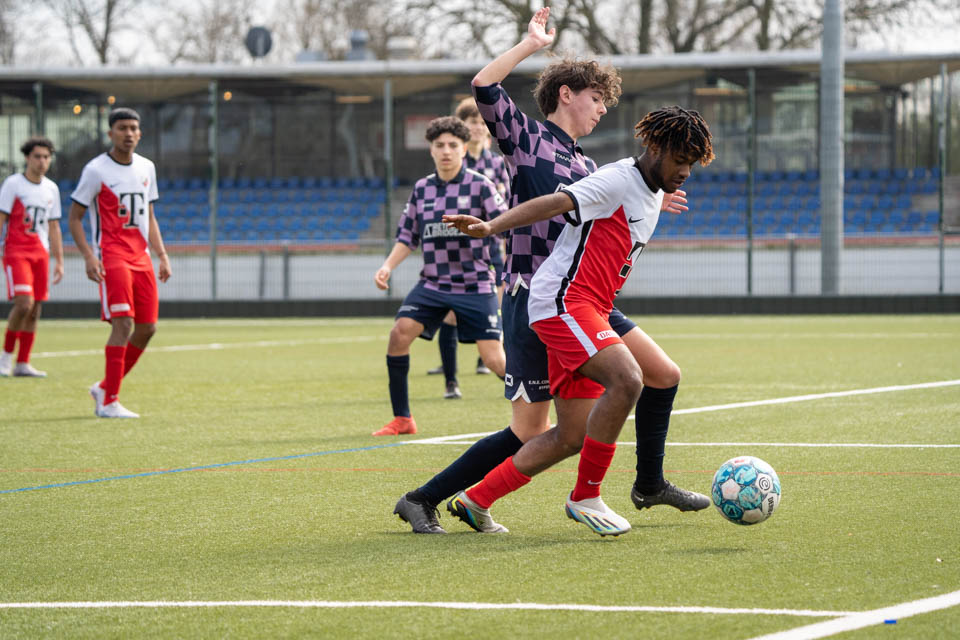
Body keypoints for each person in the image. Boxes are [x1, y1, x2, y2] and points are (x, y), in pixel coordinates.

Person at [393, 7, 705, 535]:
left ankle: (648, 482)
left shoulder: (588, 165)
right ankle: (424, 498)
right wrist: (530, 45)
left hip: (582, 297)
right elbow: (484, 85)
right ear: (568, 94)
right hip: (531, 295)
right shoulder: (527, 138)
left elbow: (611, 205)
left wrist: (658, 194)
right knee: (530, 428)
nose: (603, 110)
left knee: (657, 377)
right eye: (597, 98)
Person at [443, 105, 716, 536]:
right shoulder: (616, 179)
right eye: (680, 161)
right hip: (562, 302)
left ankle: (476, 500)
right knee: (628, 379)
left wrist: (660, 198)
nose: (685, 171)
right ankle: (586, 496)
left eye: (692, 164)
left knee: (577, 431)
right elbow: (555, 202)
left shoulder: (649, 189)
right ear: (655, 147)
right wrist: (491, 227)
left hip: (591, 306)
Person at [372, 116, 508, 436]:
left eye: (452, 145)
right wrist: (387, 266)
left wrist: (508, 268)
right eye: (439, 146)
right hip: (433, 283)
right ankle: (403, 419)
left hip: (475, 284)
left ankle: (543, 407)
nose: (446, 151)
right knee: (399, 334)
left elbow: (506, 225)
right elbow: (408, 237)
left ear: (464, 148)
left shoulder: (481, 185)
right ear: (431, 151)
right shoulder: (422, 189)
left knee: (495, 360)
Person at [68, 107, 172, 419]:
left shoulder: (147, 168)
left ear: (140, 134)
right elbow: (75, 217)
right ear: (110, 133)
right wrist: (88, 255)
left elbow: (148, 216)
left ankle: (104, 387)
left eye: (133, 128)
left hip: (141, 257)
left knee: (148, 328)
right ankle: (109, 401)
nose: (128, 133)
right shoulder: (96, 170)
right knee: (124, 323)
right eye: (122, 128)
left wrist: (162, 255)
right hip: (112, 255)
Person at [426, 97, 513, 391]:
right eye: (472, 122)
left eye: (481, 122)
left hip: (490, 247)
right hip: (456, 249)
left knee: (497, 307)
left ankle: (487, 356)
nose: (477, 127)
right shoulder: (457, 163)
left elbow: (507, 203)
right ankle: (451, 378)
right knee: (449, 313)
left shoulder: (496, 163)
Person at [0, 137, 63, 378]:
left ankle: (23, 363)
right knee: (23, 303)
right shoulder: (13, 184)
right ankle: (5, 356)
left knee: (35, 309)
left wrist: (59, 260)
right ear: (27, 158)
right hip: (16, 251)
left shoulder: (51, 188)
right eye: (37, 156)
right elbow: (2, 218)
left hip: (40, 253)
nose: (42, 161)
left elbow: (54, 226)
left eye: (46, 157)